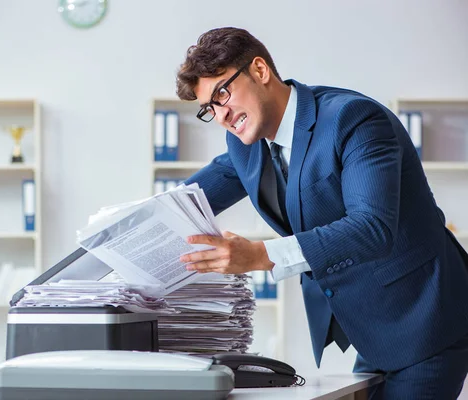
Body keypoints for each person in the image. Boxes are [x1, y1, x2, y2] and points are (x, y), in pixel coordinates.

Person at [176, 27, 468, 399]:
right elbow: (188, 199)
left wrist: (261, 255)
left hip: (427, 318)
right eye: (209, 108)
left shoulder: (353, 119)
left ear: (260, 70)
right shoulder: (244, 144)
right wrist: (120, 229)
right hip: (374, 329)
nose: (221, 115)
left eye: (222, 93)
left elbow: (372, 227)